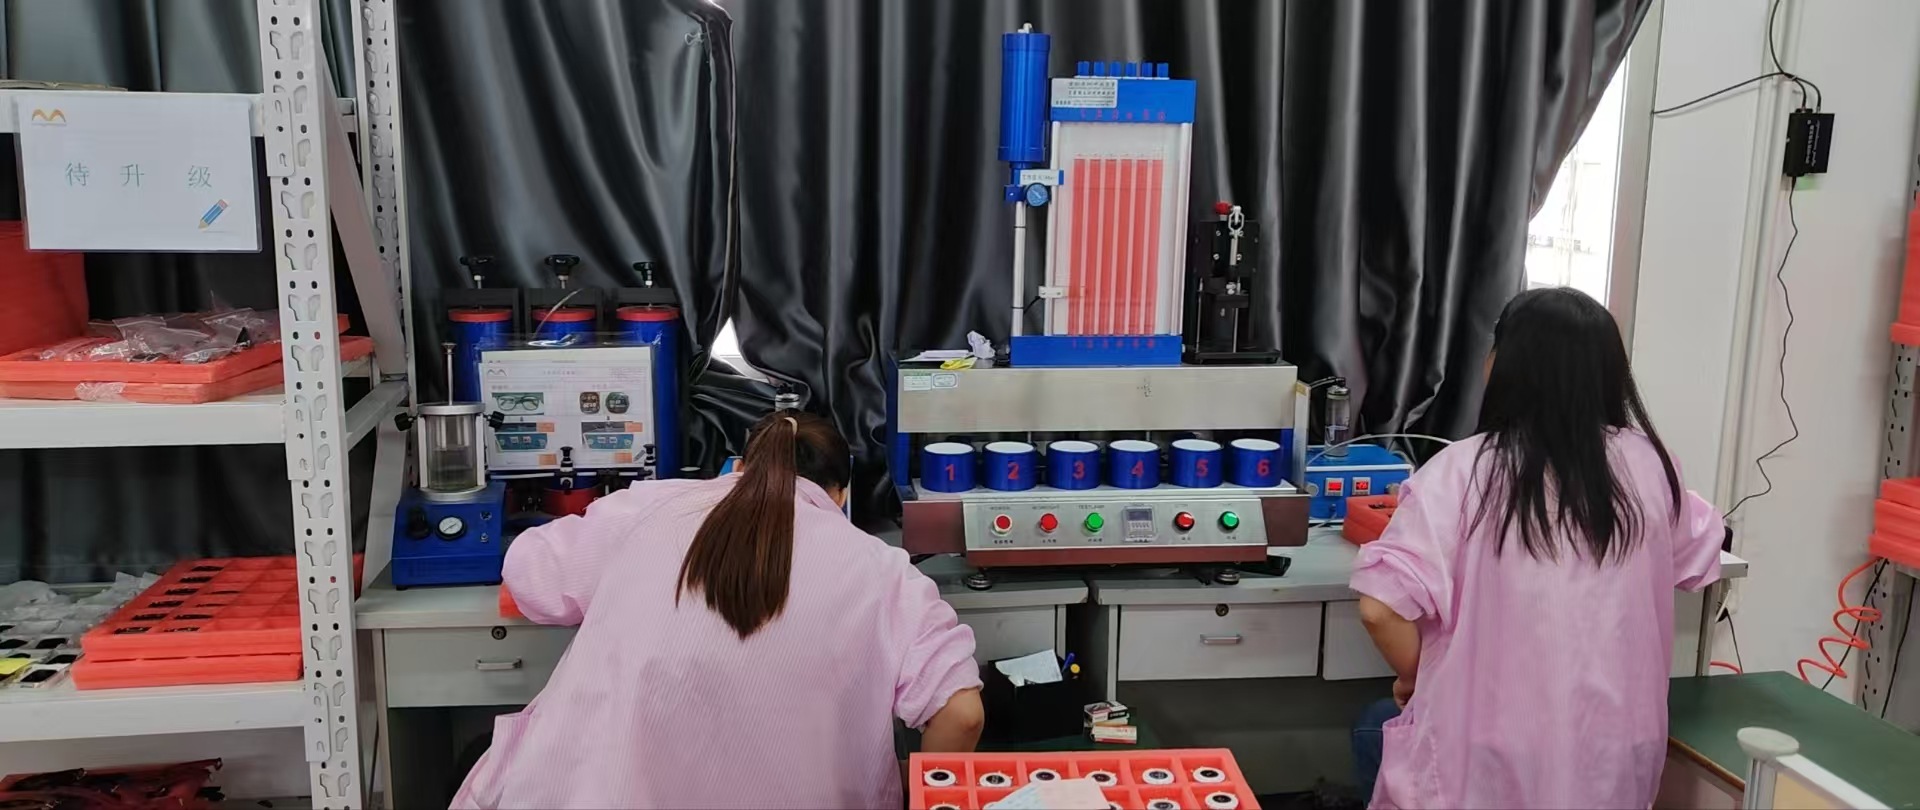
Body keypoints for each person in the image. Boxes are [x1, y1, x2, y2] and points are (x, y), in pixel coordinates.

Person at [452, 411, 985, 809]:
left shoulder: (652, 505)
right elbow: (962, 715)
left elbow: (529, 572)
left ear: (740, 468)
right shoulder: (883, 570)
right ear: (840, 496)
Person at [1348, 287, 1724, 809]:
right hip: (1615, 756)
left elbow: (1379, 609)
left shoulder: (1461, 471)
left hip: (1485, 758)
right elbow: (1703, 549)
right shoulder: (1651, 466)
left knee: (1374, 724)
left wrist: (1412, 678)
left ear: (1502, 366)